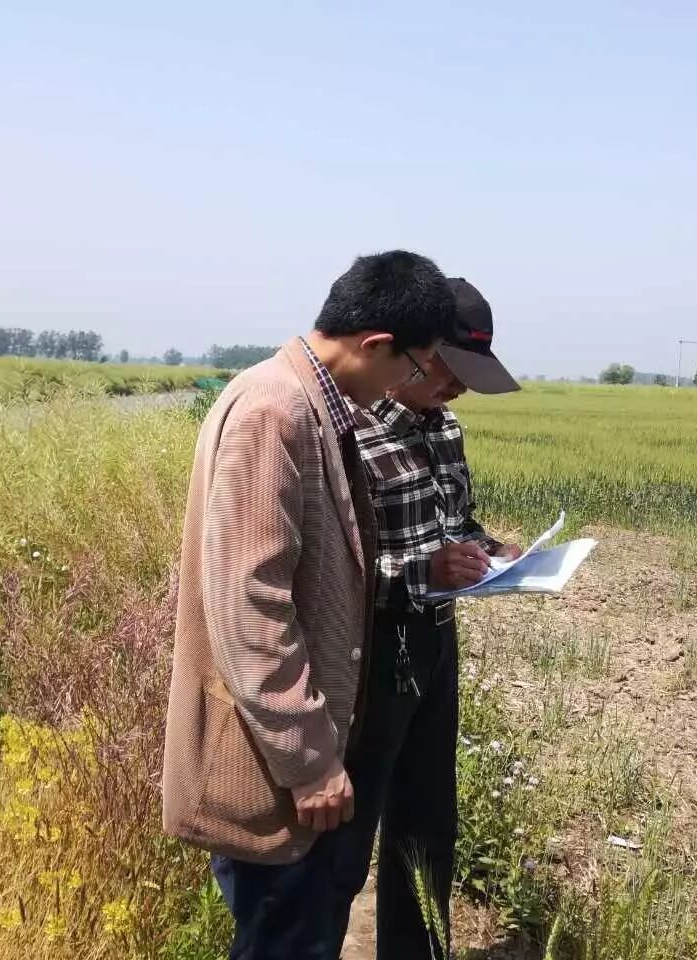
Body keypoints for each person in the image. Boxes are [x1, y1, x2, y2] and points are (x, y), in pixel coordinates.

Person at [161, 250, 457, 960]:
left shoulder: (311, 403)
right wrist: (309, 761)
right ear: (376, 344)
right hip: (274, 761)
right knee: (287, 938)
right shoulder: (277, 412)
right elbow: (250, 606)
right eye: (414, 367)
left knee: (299, 932)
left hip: (295, 749)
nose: (406, 387)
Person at [338, 277, 522, 958]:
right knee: (348, 823)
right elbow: (333, 573)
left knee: (427, 817)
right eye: (451, 370)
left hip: (436, 638)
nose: (459, 388)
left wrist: (491, 551)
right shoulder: (348, 432)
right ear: (415, 350)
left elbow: (455, 525)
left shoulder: (445, 428)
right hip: (368, 653)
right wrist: (424, 572)